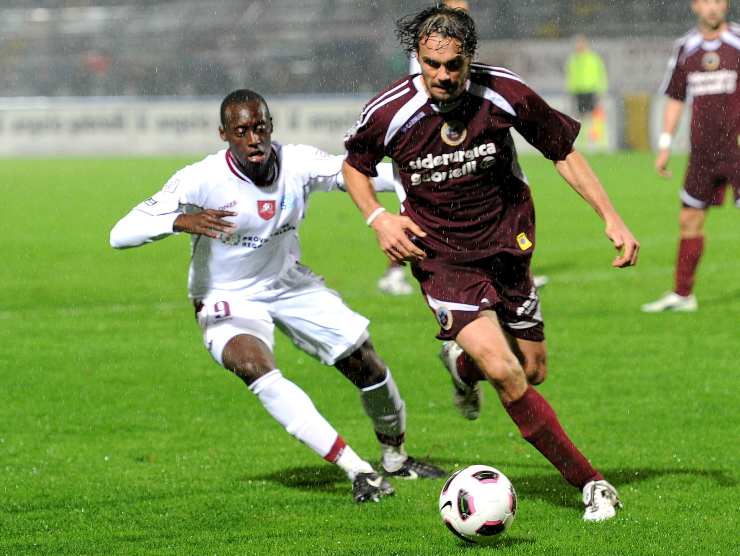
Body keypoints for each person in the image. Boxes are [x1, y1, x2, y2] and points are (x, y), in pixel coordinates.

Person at [342, 6, 639, 521]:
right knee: (505, 372)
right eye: (432, 64)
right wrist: (378, 219)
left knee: (532, 370)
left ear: (470, 59)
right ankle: (591, 484)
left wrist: (611, 216)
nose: (443, 76)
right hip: (441, 258)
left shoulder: (503, 93)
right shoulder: (391, 112)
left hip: (507, 246)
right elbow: (355, 165)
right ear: (419, 58)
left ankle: (460, 363)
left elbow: (563, 150)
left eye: (454, 65)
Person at [110, 89, 445, 504]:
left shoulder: (299, 163)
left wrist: (428, 178)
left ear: (271, 127)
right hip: (226, 297)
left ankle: (396, 459)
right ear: (224, 134)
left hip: (289, 285)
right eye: (242, 130)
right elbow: (119, 234)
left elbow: (359, 174)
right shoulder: (201, 179)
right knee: (254, 366)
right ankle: (356, 469)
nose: (254, 139)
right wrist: (180, 220)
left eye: (260, 128)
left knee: (368, 366)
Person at [379, 0, 548, 294]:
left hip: (442, 129)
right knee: (426, 196)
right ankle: (401, 273)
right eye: (460, 8)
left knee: (502, 189)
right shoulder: (437, 43)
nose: (466, 10)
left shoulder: (444, 37)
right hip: (428, 132)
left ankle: (514, 272)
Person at [643, 0, 740, 312]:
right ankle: (683, 295)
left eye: (719, 1)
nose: (713, 8)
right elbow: (675, 98)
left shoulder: (738, 42)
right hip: (702, 154)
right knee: (689, 219)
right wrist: (665, 143)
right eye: (706, 1)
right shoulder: (685, 47)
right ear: (695, 6)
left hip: (737, 151)